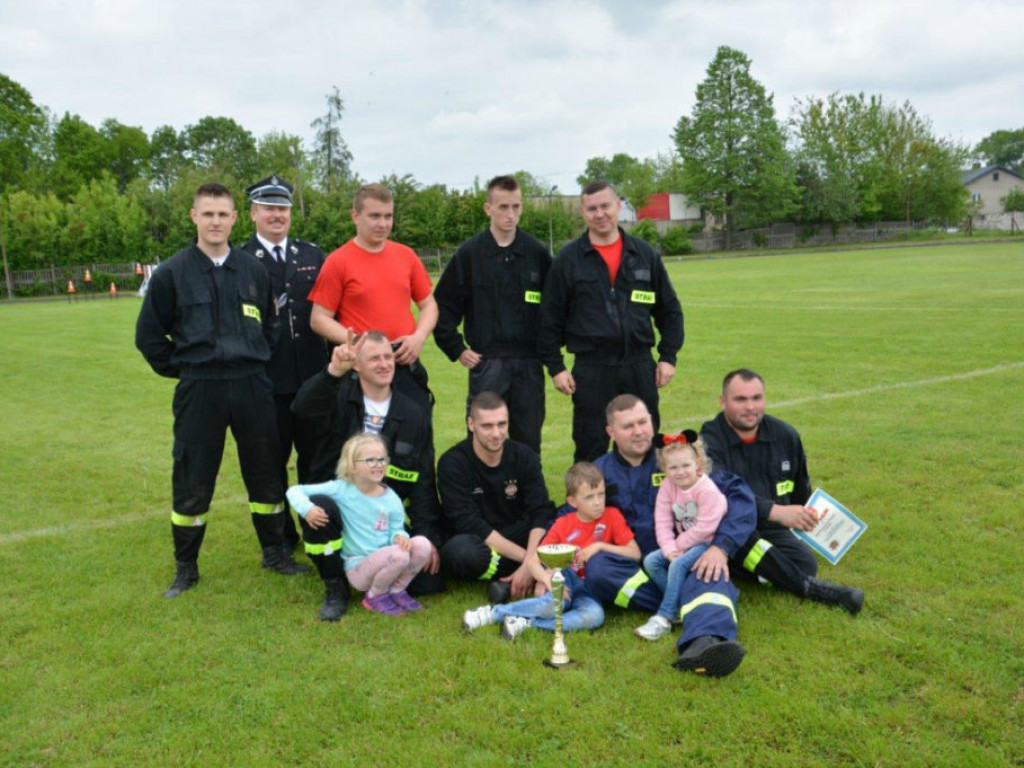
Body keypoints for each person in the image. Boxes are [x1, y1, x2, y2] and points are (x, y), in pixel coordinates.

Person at [135, 182, 309, 599]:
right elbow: (149, 337)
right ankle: (186, 568)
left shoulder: (253, 270)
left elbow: (270, 327)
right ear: (194, 216)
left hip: (252, 385)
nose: (215, 221)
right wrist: (187, 369)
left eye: (222, 214)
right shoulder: (172, 273)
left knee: (266, 471)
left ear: (234, 218)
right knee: (193, 475)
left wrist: (253, 360)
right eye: (207, 213)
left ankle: (275, 553)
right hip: (200, 388)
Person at [586, 395, 756, 677]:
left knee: (709, 571)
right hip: (636, 564)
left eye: (643, 422)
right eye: (628, 426)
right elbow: (571, 514)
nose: (639, 431)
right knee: (598, 568)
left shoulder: (677, 458)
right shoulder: (599, 471)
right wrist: (542, 566)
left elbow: (734, 495)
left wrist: (721, 547)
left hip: (687, 556)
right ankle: (684, 602)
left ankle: (705, 644)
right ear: (611, 432)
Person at [290, 329, 444, 619]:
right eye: (374, 359)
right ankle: (335, 585)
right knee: (320, 505)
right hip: (341, 506)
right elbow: (301, 410)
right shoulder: (337, 396)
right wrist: (333, 372)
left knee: (428, 583)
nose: (384, 364)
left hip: (381, 519)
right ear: (357, 365)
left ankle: (377, 583)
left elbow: (424, 478)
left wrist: (426, 534)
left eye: (388, 357)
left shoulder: (414, 413)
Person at [537, 180, 684, 462]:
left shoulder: (643, 255)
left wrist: (668, 357)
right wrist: (555, 367)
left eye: (605, 206)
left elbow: (670, 311)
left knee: (644, 444)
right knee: (590, 445)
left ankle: (644, 492)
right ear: (582, 212)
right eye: (592, 209)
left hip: (639, 365)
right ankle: (588, 493)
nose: (600, 214)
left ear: (617, 206)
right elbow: (549, 319)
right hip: (592, 369)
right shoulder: (569, 259)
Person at [700, 368, 864, 613]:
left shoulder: (785, 435)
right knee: (742, 536)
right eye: (740, 399)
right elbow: (721, 494)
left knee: (805, 564)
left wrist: (810, 519)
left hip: (771, 527)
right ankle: (815, 590)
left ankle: (747, 569)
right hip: (728, 526)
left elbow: (800, 490)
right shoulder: (709, 440)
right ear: (723, 401)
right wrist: (775, 511)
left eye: (757, 398)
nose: (750, 407)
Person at [240, 174, 328, 554]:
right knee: (270, 464)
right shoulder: (240, 259)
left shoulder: (312, 255)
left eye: (283, 208)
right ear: (253, 213)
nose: (277, 215)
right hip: (265, 382)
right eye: (269, 208)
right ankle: (279, 540)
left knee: (317, 461)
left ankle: (316, 530)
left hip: (313, 379)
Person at [433, 175, 552, 454]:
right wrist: (456, 348)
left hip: (528, 364)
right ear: (488, 209)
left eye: (516, 206)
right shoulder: (470, 255)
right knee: (483, 439)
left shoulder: (536, 253)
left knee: (528, 441)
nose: (510, 214)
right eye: (503, 207)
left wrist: (551, 354)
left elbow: (557, 307)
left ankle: (526, 484)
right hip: (487, 364)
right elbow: (442, 306)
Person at [462, 462, 639, 640]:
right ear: (572, 501)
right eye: (589, 497)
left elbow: (635, 553)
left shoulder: (612, 516)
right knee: (552, 605)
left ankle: (525, 622)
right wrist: (545, 578)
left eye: (601, 494)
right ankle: (493, 613)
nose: (598, 502)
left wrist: (600, 546)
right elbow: (533, 561)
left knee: (595, 616)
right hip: (565, 578)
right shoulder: (563, 524)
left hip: (591, 588)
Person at [307, 183, 437, 412]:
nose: (383, 224)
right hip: (361, 371)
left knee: (415, 430)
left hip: (404, 365)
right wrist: (359, 344)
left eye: (388, 216)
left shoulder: (406, 255)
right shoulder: (338, 262)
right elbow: (318, 319)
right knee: (364, 435)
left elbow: (429, 306)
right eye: (375, 216)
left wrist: (418, 337)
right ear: (355, 216)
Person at [286, 434, 433, 616]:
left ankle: (396, 590)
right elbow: (295, 490)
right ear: (352, 466)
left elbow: (396, 528)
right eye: (370, 460)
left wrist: (400, 536)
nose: (379, 464)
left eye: (382, 459)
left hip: (389, 561)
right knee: (399, 555)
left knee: (423, 544)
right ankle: (375, 595)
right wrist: (307, 509)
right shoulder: (341, 489)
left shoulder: (391, 497)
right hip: (358, 567)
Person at [437, 391, 555, 603]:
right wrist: (531, 562)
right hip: (480, 540)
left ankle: (516, 573)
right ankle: (539, 567)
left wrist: (530, 560)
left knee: (560, 518)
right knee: (459, 553)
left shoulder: (524, 455)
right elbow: (469, 522)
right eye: (487, 426)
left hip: (517, 532)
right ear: (471, 424)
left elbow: (540, 509)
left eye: (502, 424)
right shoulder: (452, 463)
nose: (496, 433)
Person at [634, 431, 727, 641]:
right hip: (682, 543)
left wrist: (678, 546)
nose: (680, 472)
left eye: (686, 465)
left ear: (698, 464)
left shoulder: (707, 490)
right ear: (664, 468)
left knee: (677, 564)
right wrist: (668, 549)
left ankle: (664, 617)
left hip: (707, 543)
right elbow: (662, 521)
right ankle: (680, 605)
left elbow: (705, 528)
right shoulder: (668, 486)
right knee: (651, 561)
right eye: (673, 467)